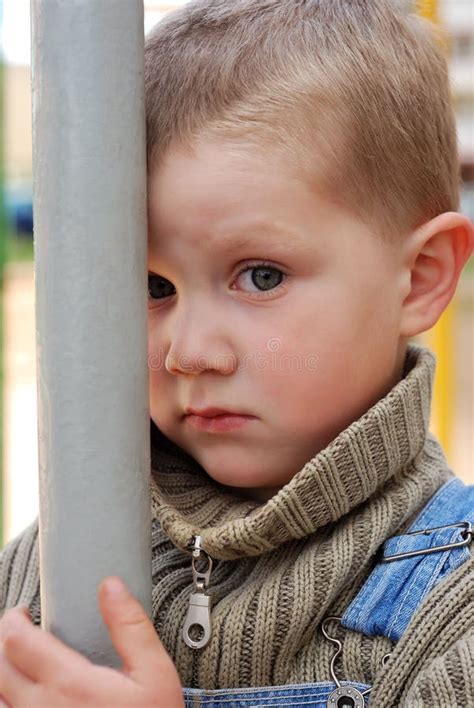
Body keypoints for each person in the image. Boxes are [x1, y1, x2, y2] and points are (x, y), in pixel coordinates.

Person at [0, 0, 473, 706]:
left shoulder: (454, 613)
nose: (188, 353)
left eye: (260, 276)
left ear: (422, 276)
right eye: (155, 284)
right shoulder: (46, 572)